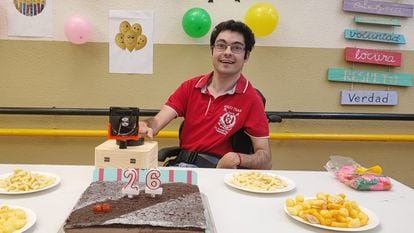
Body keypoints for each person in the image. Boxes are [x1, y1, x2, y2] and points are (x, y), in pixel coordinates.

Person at [139, 20, 271, 169]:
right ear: (212, 50)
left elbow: (265, 159)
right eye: (221, 46)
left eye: (236, 48)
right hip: (181, 166)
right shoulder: (190, 87)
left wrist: (238, 158)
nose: (227, 52)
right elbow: (156, 123)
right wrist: (145, 124)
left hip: (219, 172)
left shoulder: (251, 99)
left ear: (246, 56)